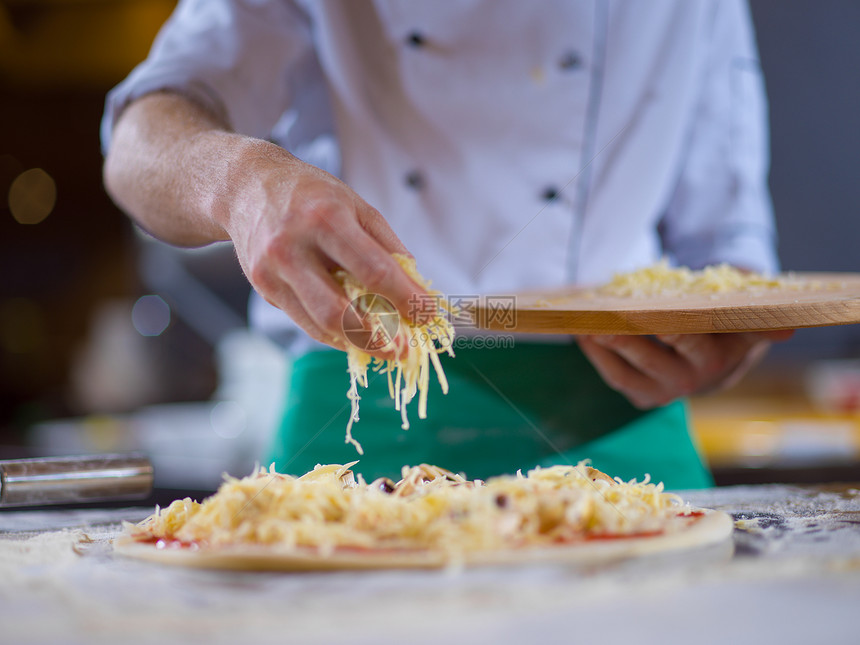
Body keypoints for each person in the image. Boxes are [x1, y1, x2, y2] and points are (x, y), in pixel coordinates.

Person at [102, 0, 790, 489]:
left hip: (621, 425)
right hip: (355, 424)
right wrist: (239, 182)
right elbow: (137, 146)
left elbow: (728, 248)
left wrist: (725, 344)